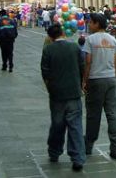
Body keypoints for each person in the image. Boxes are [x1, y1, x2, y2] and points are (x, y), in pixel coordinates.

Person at [41, 23, 86, 171]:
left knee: (57, 124)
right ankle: (77, 158)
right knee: (75, 126)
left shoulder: (48, 49)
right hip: (74, 92)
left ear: (50, 36)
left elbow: (45, 73)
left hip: (57, 94)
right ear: (62, 33)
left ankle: (54, 152)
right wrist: (81, 84)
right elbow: (82, 67)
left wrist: (50, 89)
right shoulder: (74, 47)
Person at [82, 13, 116, 159]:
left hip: (95, 79)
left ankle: (88, 145)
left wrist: (85, 80)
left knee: (93, 115)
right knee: (112, 114)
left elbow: (88, 62)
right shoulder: (112, 39)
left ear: (97, 24)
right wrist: (114, 75)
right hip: (110, 79)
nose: (89, 25)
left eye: (91, 22)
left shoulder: (90, 40)